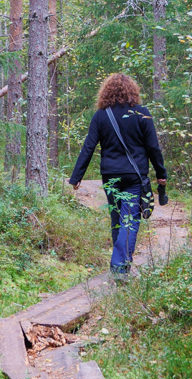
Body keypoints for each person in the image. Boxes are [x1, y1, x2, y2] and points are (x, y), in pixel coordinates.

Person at [68, 73, 167, 279]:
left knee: (117, 221)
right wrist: (161, 173)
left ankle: (121, 266)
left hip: (110, 176)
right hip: (134, 176)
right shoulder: (142, 113)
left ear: (106, 92)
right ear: (133, 91)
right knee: (129, 221)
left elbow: (88, 147)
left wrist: (76, 177)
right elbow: (153, 147)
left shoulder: (101, 115)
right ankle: (120, 268)